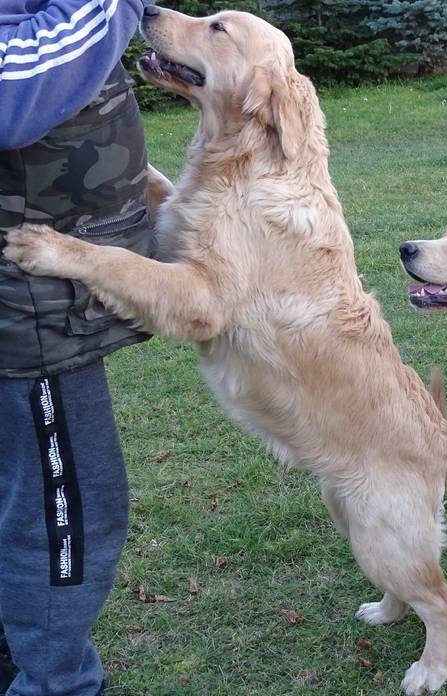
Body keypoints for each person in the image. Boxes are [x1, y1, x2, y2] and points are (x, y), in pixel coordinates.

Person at [0, 1, 155, 693]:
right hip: (27, 319)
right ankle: (56, 684)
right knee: (64, 515)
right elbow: (12, 89)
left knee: (18, 497)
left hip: (34, 305)